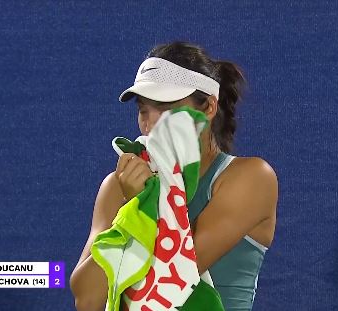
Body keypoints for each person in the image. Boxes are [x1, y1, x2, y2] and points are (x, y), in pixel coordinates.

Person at [70, 41, 278, 311]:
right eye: (143, 109)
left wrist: (141, 208)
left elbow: (170, 283)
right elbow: (88, 301)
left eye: (167, 107)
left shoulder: (251, 178)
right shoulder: (117, 185)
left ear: (208, 108)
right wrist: (132, 211)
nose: (150, 123)